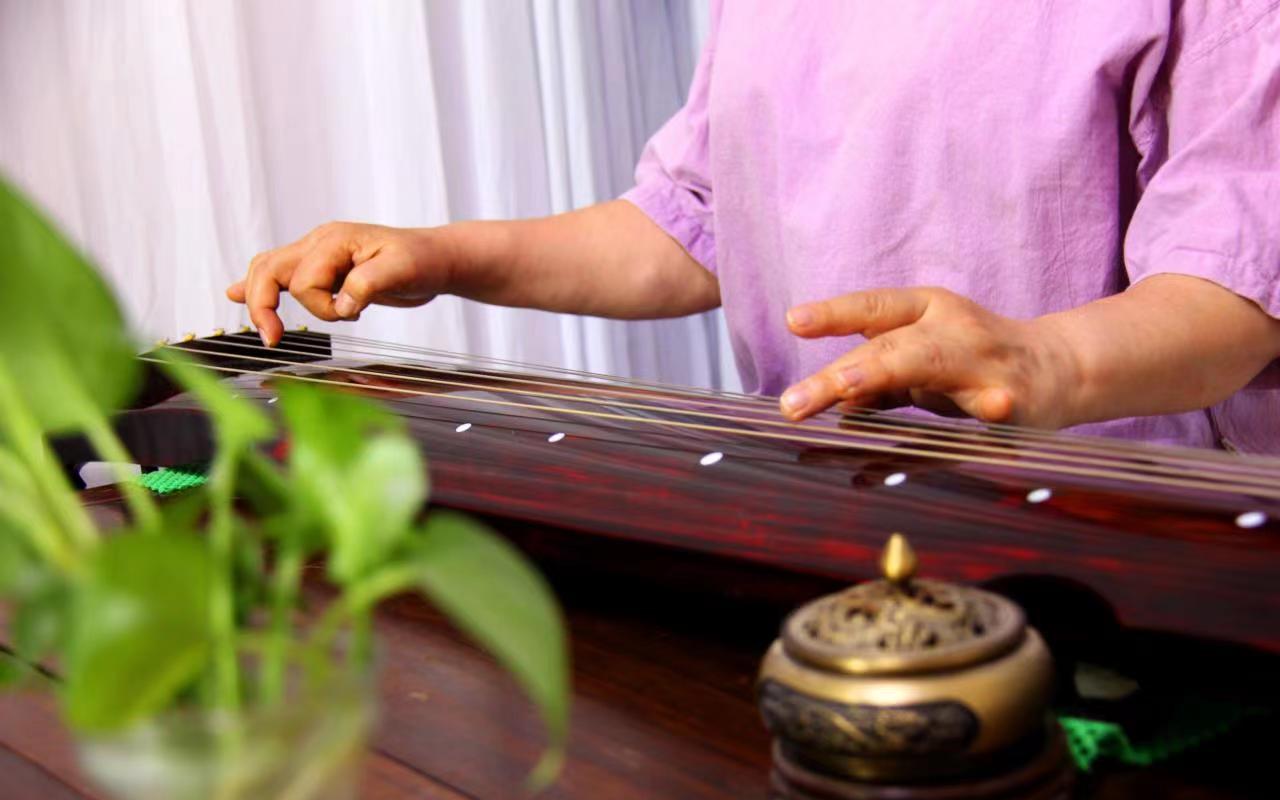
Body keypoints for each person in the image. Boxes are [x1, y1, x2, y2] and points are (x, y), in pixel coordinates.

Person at [228, 2, 1280, 452]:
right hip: (823, 503)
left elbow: (1233, 290)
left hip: (1110, 539)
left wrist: (1038, 360)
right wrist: (442, 255)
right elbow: (687, 228)